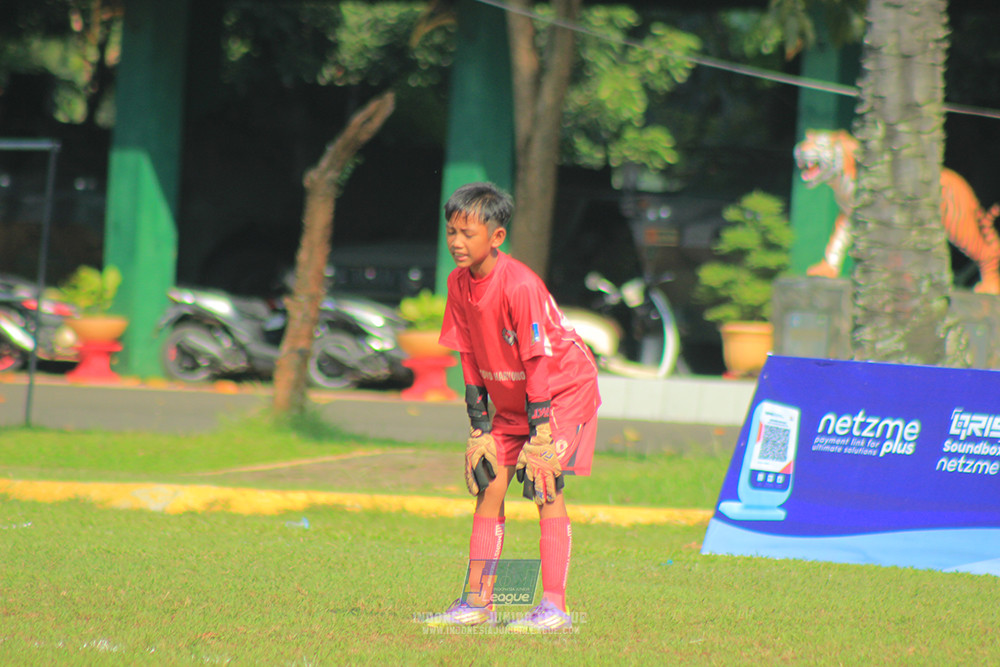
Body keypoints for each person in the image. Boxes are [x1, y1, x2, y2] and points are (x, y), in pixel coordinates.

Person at [422, 182, 601, 633]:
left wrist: (540, 434)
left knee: (544, 486)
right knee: (491, 488)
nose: (457, 243)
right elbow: (465, 351)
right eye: (451, 232)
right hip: (510, 399)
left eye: (467, 233)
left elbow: (537, 360)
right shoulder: (457, 283)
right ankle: (479, 603)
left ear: (496, 237)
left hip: (560, 390)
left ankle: (555, 609)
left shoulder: (520, 284)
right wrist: (478, 425)